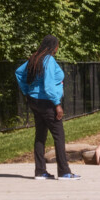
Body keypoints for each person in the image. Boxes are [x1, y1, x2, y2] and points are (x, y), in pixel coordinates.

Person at [16, 34, 79, 180]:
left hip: (34, 101)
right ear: (54, 46)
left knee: (40, 136)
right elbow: (49, 85)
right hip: (47, 103)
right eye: (57, 45)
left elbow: (19, 72)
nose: (57, 48)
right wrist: (57, 104)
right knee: (59, 136)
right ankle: (64, 172)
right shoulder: (49, 60)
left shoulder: (35, 58)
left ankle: (40, 171)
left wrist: (26, 91)